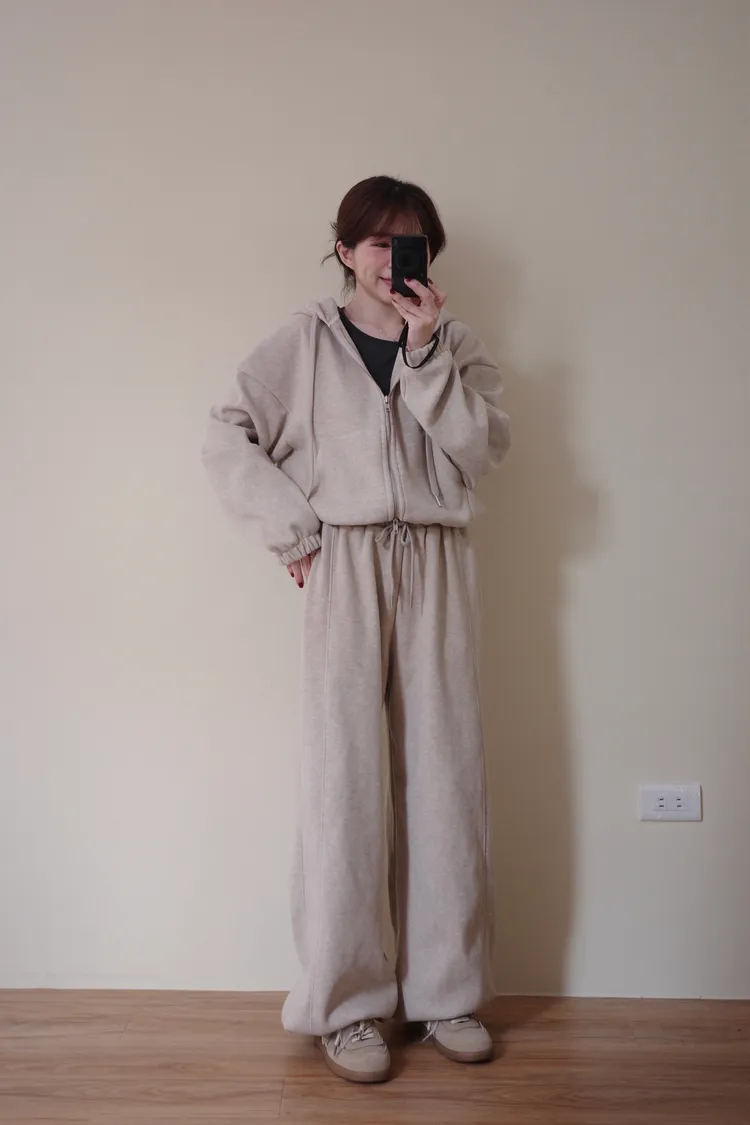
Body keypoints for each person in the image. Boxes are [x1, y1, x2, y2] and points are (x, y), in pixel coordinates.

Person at [202, 175, 511, 1083]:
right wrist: (292, 530)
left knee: (446, 774)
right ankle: (347, 1006)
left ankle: (447, 993)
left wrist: (424, 354)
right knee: (345, 779)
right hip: (344, 561)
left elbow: (484, 449)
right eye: (378, 241)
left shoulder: (455, 344)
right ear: (344, 250)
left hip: (438, 563)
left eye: (409, 243)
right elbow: (226, 434)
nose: (392, 259)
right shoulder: (303, 342)